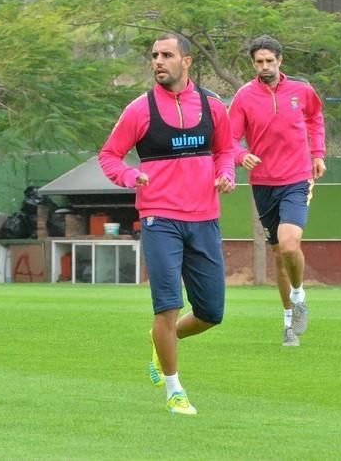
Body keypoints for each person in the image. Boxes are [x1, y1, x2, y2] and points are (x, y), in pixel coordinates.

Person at [99, 33, 235, 415]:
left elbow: (226, 151)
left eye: (167, 55)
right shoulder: (139, 110)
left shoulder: (212, 106)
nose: (158, 61)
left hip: (205, 219)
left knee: (211, 313)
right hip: (159, 219)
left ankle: (162, 340)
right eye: (154, 56)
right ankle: (175, 390)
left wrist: (227, 174)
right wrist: (130, 177)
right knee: (168, 306)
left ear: (187, 61)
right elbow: (110, 156)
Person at [228, 35, 326, 346]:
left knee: (288, 244)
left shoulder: (301, 90)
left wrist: (318, 154)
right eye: (259, 62)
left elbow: (315, 118)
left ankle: (299, 296)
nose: (265, 66)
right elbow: (228, 141)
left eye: (270, 61)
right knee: (279, 256)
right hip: (263, 183)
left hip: (297, 178)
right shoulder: (244, 97)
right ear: (253, 64)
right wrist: (241, 156)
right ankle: (288, 323)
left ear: (280, 61)